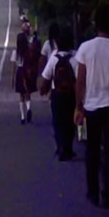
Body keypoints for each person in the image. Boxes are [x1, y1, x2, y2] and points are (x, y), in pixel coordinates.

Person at [74, 4, 109, 209]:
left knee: (92, 151)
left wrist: (79, 107)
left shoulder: (85, 48)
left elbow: (80, 81)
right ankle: (108, 194)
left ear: (95, 25)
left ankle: (92, 193)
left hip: (91, 108)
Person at [39, 27, 77, 161]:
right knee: (70, 122)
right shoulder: (76, 57)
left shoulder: (54, 58)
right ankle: (68, 147)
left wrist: (43, 89)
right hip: (72, 95)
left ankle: (60, 146)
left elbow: (46, 77)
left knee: (58, 121)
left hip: (57, 94)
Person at [12, 21, 39, 124]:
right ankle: (28, 108)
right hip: (27, 71)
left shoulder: (16, 52)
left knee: (21, 95)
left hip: (20, 71)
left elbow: (14, 65)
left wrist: (12, 78)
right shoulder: (28, 50)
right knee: (28, 93)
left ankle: (22, 117)